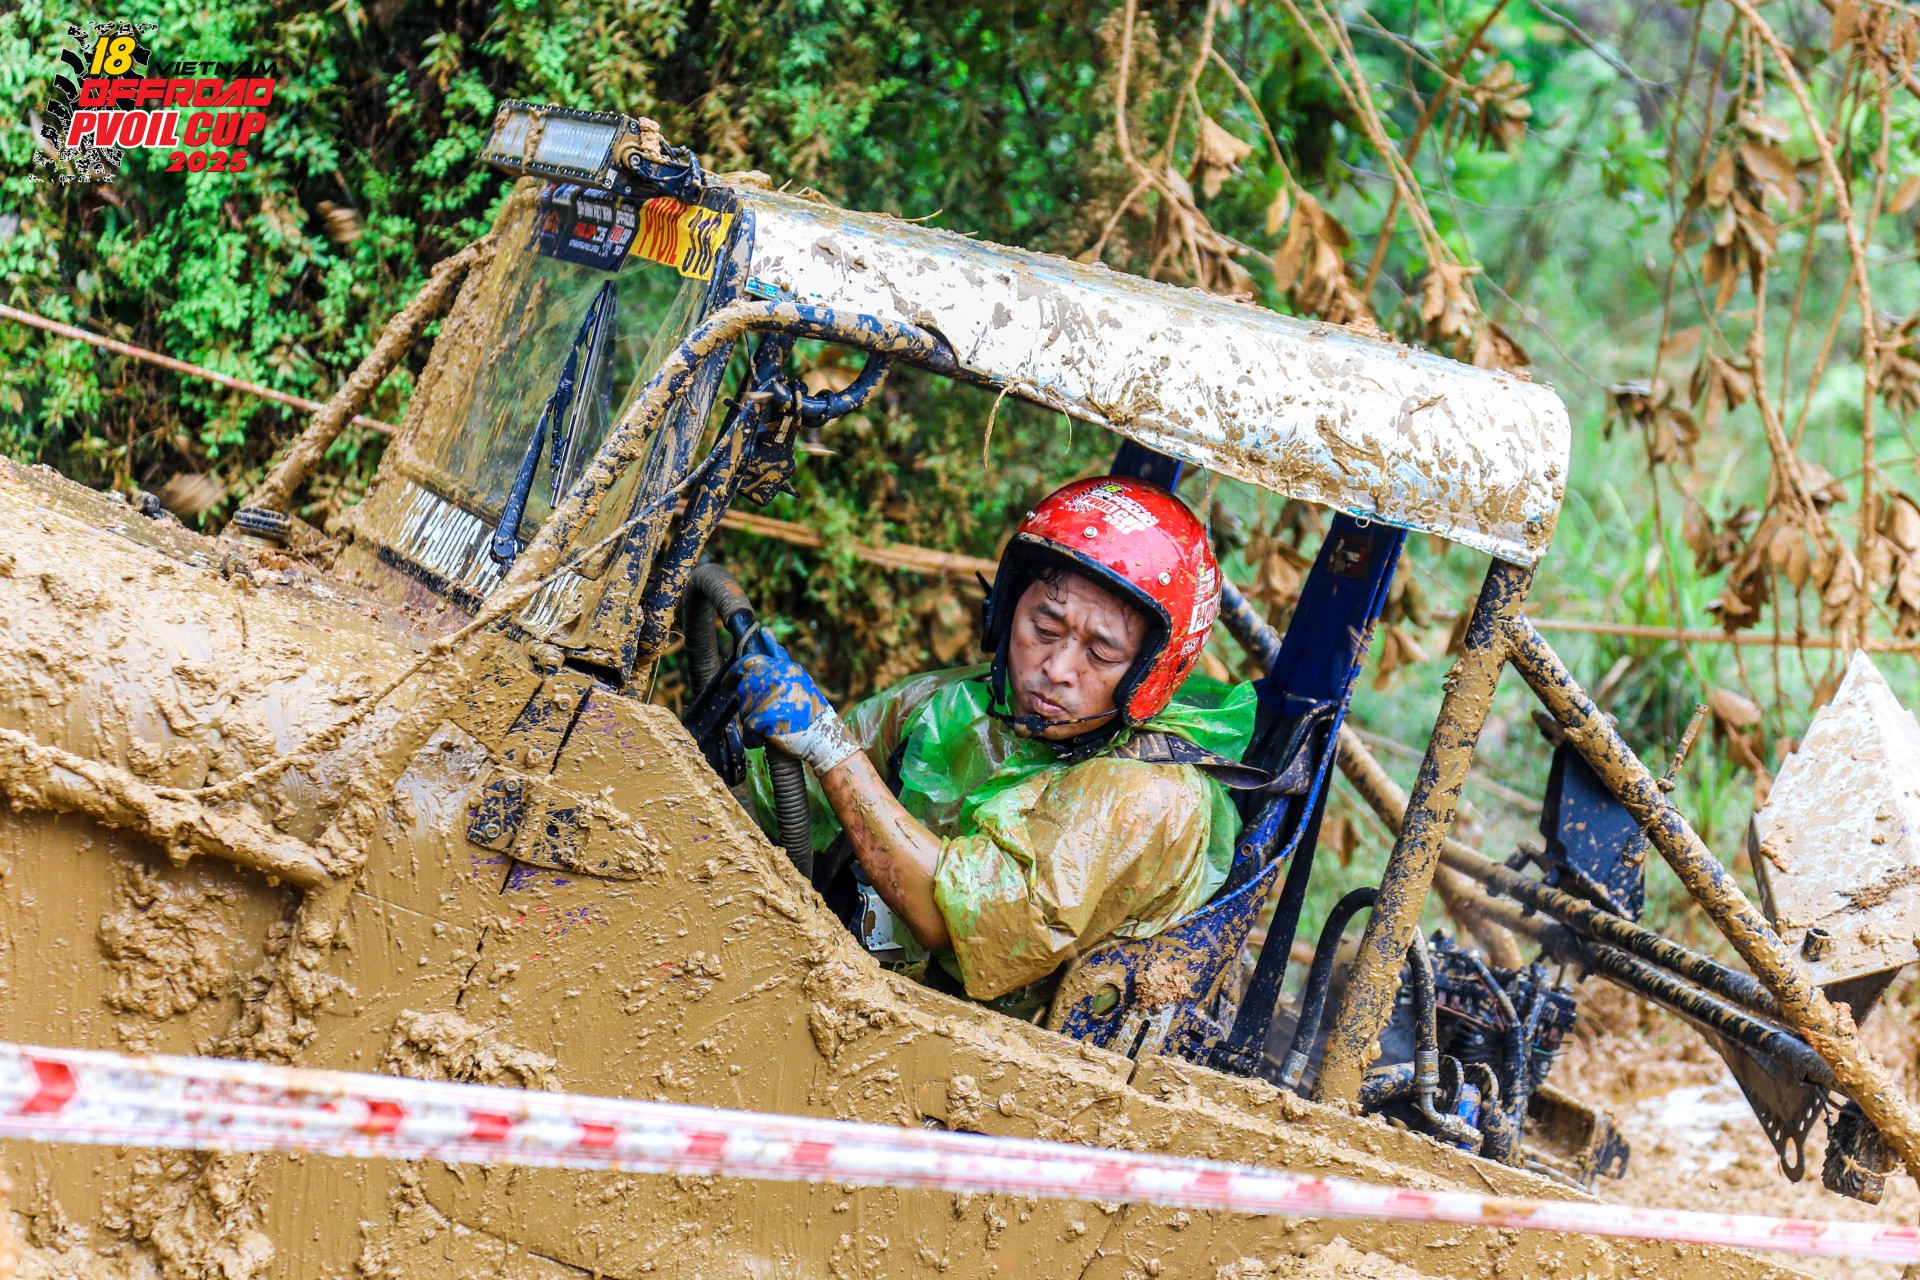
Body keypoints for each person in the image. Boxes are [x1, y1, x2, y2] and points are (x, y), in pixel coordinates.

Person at [736, 476, 1256, 1018]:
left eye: (1100, 654)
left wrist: (826, 746)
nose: (1055, 670)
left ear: (1150, 672)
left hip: (1005, 1067)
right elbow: (774, 801)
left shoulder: (1146, 797)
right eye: (1044, 626)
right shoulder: (954, 704)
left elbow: (950, 920)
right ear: (1006, 609)